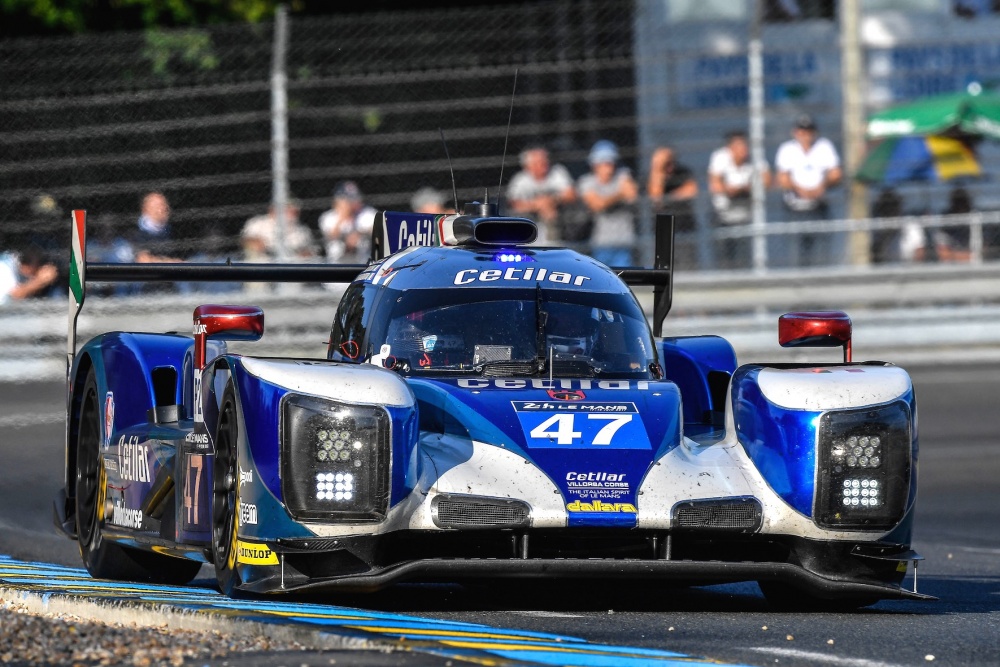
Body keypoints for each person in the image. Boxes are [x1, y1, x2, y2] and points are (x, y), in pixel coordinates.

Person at [774, 115, 842, 267]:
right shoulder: (787, 149)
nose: (805, 135)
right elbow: (782, 178)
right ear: (795, 132)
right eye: (802, 131)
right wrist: (802, 190)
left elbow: (836, 174)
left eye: (809, 131)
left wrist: (821, 187)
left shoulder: (824, 146)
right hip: (795, 207)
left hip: (819, 206)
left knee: (821, 250)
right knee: (797, 251)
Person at [707, 131, 771, 268]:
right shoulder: (720, 157)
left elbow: (766, 181)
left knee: (743, 259)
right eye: (738, 146)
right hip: (722, 216)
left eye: (744, 146)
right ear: (730, 148)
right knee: (723, 259)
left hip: (744, 217)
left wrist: (746, 188)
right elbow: (715, 184)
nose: (743, 150)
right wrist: (730, 190)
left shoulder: (755, 158)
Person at [577, 140, 639, 267]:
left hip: (624, 241)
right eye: (603, 162)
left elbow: (632, 195)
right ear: (594, 164)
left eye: (610, 162)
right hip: (601, 243)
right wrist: (619, 194)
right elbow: (598, 205)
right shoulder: (587, 182)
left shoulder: (623, 175)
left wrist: (621, 191)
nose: (608, 166)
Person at [506, 146, 577, 244]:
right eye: (538, 162)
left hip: (561, 222)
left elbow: (571, 194)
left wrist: (551, 201)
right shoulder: (520, 180)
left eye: (545, 161)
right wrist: (538, 205)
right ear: (528, 166)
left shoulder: (557, 172)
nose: (544, 164)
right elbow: (514, 204)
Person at [319, 181, 378, 264]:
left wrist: (359, 234)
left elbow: (378, 229)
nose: (352, 203)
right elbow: (332, 235)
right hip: (336, 263)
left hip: (362, 262)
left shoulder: (367, 213)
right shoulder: (328, 217)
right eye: (348, 200)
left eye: (354, 199)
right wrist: (343, 216)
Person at [241, 199, 316, 262]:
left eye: (295, 211)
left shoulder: (302, 230)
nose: (293, 214)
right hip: (263, 263)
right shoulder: (257, 223)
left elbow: (309, 252)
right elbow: (250, 243)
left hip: (292, 266)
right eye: (289, 210)